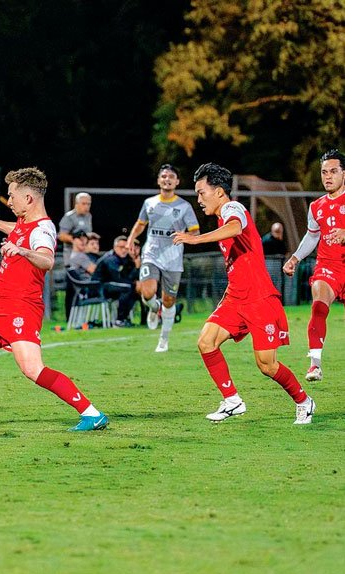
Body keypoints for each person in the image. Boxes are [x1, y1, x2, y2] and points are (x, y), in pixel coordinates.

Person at [0, 167, 108, 431]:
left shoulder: (43, 229)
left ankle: (92, 414)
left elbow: (47, 260)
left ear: (29, 199)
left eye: (12, 196)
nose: (9, 200)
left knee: (33, 370)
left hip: (21, 310)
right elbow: (18, 230)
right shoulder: (27, 225)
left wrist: (21, 251)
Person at [173, 162, 314, 425]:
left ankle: (304, 401)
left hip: (259, 298)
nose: (199, 199)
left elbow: (235, 227)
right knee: (206, 342)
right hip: (235, 297)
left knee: (267, 365)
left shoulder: (232, 207)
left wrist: (196, 239)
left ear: (219, 191)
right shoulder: (221, 215)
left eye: (202, 192)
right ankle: (232, 400)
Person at [282, 148, 345, 382]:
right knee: (318, 305)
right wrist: (296, 258)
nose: (328, 176)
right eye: (324, 172)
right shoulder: (316, 206)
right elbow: (312, 236)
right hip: (329, 266)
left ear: (344, 173)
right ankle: (315, 365)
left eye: (333, 171)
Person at [126, 164, 200, 351]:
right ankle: (153, 307)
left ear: (177, 181)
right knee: (147, 292)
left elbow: (195, 231)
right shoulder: (149, 203)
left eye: (171, 176)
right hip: (151, 253)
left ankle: (164, 340)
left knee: (169, 301)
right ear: (159, 180)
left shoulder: (184, 206)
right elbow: (141, 224)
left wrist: (187, 237)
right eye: (164, 176)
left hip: (173, 258)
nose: (167, 179)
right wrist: (131, 239)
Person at [58, 192, 93, 320]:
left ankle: (82, 318)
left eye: (88, 204)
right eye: (84, 204)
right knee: (72, 289)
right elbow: (61, 235)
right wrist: (75, 240)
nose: (86, 206)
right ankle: (69, 317)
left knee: (83, 289)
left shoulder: (88, 216)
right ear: (76, 204)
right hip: (71, 258)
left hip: (84, 258)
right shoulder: (69, 217)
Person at [91, 236, 138, 327]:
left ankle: (125, 317)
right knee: (128, 288)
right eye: (121, 247)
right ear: (115, 247)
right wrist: (135, 269)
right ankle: (119, 320)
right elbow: (117, 277)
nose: (124, 250)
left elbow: (128, 276)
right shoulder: (110, 259)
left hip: (112, 285)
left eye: (126, 248)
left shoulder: (126, 259)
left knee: (133, 289)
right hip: (99, 287)